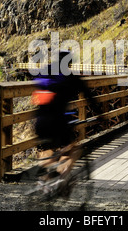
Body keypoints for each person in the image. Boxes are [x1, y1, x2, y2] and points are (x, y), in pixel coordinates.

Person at [31, 50, 100, 186]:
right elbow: (90, 98)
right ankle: (62, 178)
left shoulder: (44, 71)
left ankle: (43, 181)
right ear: (69, 63)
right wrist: (100, 115)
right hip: (58, 121)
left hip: (40, 121)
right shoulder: (72, 78)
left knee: (47, 150)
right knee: (73, 149)